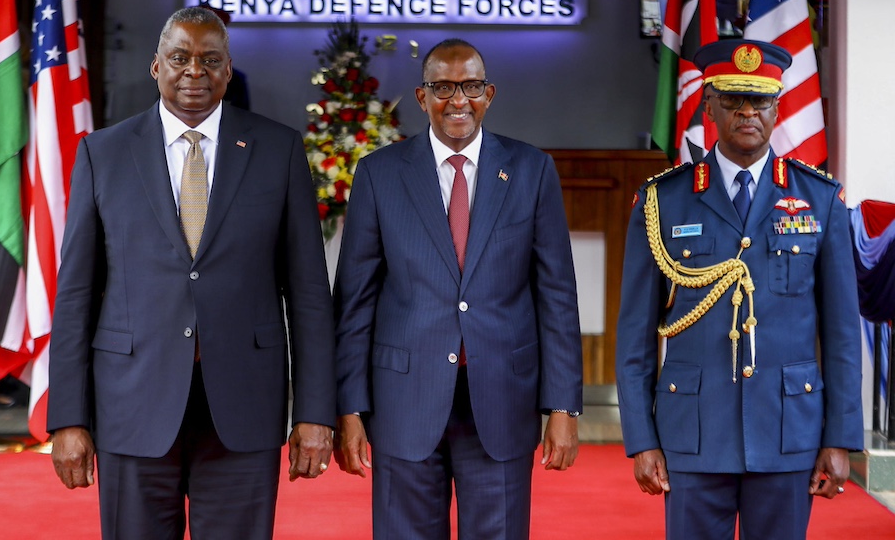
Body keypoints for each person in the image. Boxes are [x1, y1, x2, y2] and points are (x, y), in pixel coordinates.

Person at [47, 7, 335, 539]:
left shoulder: (279, 150)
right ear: (156, 67)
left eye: (210, 60)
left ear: (229, 70)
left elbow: (309, 294)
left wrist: (314, 413)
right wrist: (68, 417)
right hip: (131, 404)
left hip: (244, 406)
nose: (194, 72)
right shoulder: (102, 153)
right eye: (180, 58)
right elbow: (76, 296)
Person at [333, 38, 584, 539]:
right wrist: (348, 406)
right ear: (422, 98)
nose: (458, 100)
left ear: (489, 93)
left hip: (502, 400)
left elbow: (556, 296)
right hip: (402, 402)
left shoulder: (533, 170)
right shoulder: (379, 174)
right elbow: (354, 301)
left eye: (470, 86)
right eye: (442, 87)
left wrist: (563, 405)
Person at [616, 38, 862, 539]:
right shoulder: (663, 200)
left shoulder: (820, 199)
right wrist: (641, 438)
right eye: (732, 100)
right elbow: (634, 336)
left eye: (760, 101)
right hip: (694, 433)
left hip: (787, 430)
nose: (747, 112)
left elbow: (841, 335)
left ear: (777, 107)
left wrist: (840, 437)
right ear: (709, 105)